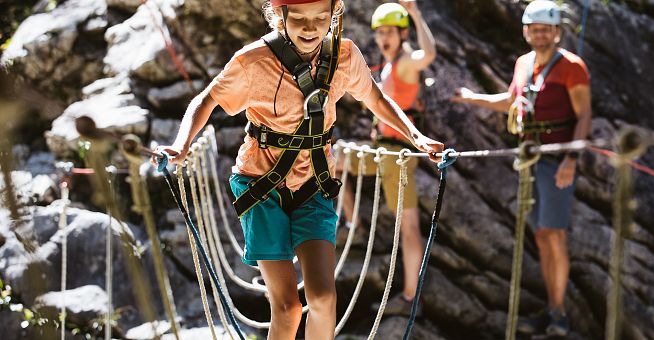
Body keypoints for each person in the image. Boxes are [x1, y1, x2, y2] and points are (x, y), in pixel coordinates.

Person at [154, 1, 444, 339]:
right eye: (301, 19)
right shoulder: (254, 61)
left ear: (334, 15)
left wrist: (417, 137)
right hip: (260, 185)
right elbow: (206, 100)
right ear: (280, 17)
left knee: (323, 297)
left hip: (313, 184)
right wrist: (182, 143)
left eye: (321, 18)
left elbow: (376, 99)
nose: (311, 28)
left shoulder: (344, 56)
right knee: (289, 308)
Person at [452, 0, 592, 336]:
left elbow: (584, 114)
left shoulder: (572, 67)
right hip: (529, 158)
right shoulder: (523, 64)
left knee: (554, 234)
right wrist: (473, 97)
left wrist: (571, 160)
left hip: (556, 161)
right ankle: (551, 308)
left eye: (546, 29)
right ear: (526, 31)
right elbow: (512, 101)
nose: (540, 35)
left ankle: (559, 314)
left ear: (557, 32)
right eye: (534, 29)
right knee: (542, 235)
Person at [336, 0, 436, 317]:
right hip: (383, 154)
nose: (383, 39)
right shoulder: (390, 65)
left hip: (400, 157)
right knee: (329, 156)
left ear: (402, 34)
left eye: (390, 32)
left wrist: (416, 14)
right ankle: (352, 221)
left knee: (408, 226)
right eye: (380, 33)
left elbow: (429, 54)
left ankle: (410, 298)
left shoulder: (406, 62)